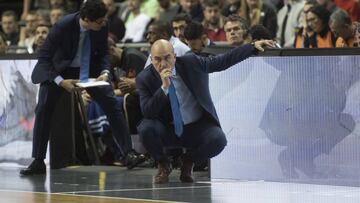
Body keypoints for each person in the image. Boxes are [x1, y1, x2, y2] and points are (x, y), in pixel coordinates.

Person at [20, 0, 142, 176]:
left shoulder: (102, 25)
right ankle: (38, 160)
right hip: (60, 70)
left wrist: (106, 73)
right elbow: (44, 59)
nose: (103, 24)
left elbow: (103, 54)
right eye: (98, 22)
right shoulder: (63, 25)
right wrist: (61, 81)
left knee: (111, 104)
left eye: (103, 20)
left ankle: (128, 153)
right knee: (43, 108)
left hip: (89, 71)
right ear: (86, 19)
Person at [136, 39, 274, 184]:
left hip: (195, 127)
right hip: (167, 128)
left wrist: (251, 47)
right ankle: (163, 164)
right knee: (145, 128)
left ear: (174, 56)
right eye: (157, 59)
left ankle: (188, 161)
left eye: (167, 58)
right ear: (151, 60)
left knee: (218, 140)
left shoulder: (192, 63)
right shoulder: (144, 78)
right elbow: (148, 112)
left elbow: (222, 61)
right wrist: (164, 87)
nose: (163, 64)